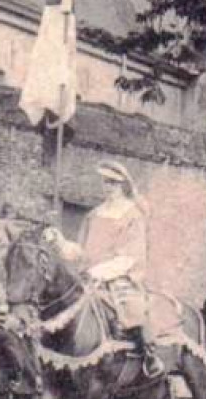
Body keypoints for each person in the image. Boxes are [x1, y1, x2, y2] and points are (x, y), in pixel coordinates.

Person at [48, 162, 160, 386]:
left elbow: (131, 256)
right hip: (88, 277)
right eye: (105, 182)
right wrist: (59, 241)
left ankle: (149, 354)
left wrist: (101, 271)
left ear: (123, 185)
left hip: (119, 277)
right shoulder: (93, 215)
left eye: (113, 183)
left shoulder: (133, 214)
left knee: (132, 308)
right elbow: (80, 251)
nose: (108, 187)